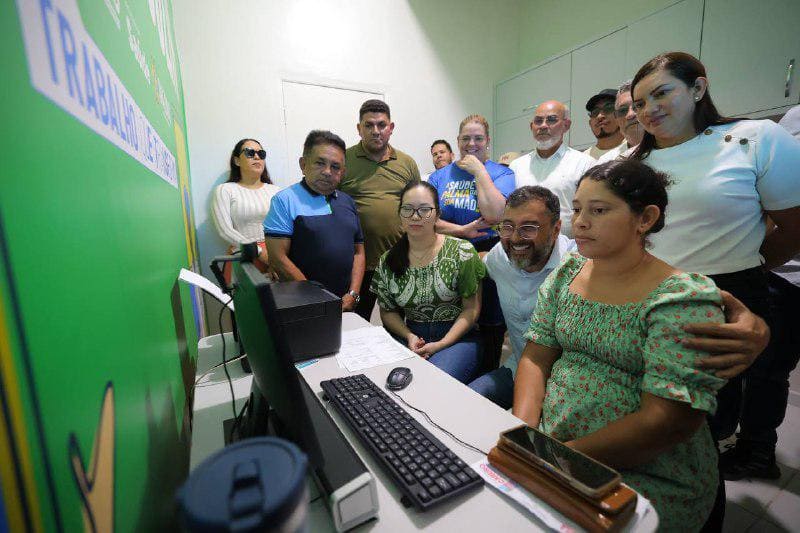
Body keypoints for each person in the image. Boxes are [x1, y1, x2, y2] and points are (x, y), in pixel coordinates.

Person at [514, 160, 726, 531]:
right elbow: (536, 356)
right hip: (551, 443)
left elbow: (667, 422)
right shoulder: (567, 274)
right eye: (578, 208)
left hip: (647, 471)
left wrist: (560, 458)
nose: (580, 221)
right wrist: (524, 432)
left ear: (644, 219)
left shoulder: (681, 298)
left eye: (598, 210)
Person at [629, 52, 800, 485]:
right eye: (640, 102)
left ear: (698, 89)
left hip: (729, 292)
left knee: (711, 419)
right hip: (651, 293)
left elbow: (793, 226)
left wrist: (751, 267)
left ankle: (711, 487)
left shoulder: (753, 139)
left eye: (662, 93)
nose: (650, 110)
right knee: (660, 413)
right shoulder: (636, 163)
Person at [469, 185, 770, 411]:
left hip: (577, 384)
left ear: (557, 228)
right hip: (522, 369)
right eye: (507, 227)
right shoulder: (499, 257)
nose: (516, 237)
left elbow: (662, 281)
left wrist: (753, 323)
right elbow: (476, 260)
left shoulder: (582, 263)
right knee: (470, 401)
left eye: (529, 228)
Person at [370, 182, 485, 383]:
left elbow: (471, 310)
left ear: (437, 215)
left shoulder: (462, 251)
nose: (415, 216)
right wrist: (409, 336)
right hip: (410, 337)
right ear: (400, 216)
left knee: (429, 382)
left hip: (457, 339)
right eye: (407, 209)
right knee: (383, 381)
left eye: (424, 209)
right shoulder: (388, 260)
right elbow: (387, 311)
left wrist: (442, 343)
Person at [428, 114, 516, 373]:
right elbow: (426, 218)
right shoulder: (440, 176)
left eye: (478, 138)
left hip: (489, 254)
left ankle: (485, 378)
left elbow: (495, 215)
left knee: (489, 323)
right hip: (447, 253)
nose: (472, 143)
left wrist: (479, 170)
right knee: (451, 320)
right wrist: (462, 230)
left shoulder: (502, 173)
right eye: (466, 138)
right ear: (458, 141)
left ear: (488, 141)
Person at [264, 130, 365, 310]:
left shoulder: (347, 201)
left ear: (342, 172)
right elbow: (278, 259)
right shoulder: (284, 201)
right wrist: (318, 300)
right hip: (302, 307)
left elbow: (359, 252)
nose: (327, 172)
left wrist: (353, 294)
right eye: (320, 163)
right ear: (303, 164)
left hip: (345, 304)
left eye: (335, 166)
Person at [339, 100, 421, 321]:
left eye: (381, 125)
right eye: (369, 125)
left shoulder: (407, 163)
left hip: (400, 259)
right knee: (354, 321)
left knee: (404, 321)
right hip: (357, 262)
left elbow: (418, 208)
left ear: (391, 127)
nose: (376, 131)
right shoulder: (343, 160)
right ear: (359, 128)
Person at [509, 101, 595, 237]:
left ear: (566, 125)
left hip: (569, 250)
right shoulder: (516, 166)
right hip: (524, 245)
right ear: (531, 127)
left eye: (551, 119)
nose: (543, 125)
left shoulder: (585, 164)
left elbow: (592, 212)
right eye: (538, 121)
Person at [211, 138, 280, 284]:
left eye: (261, 153)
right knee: (246, 305)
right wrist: (259, 253)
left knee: (280, 304)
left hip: (276, 259)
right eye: (250, 152)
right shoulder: (225, 190)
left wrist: (278, 260)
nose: (257, 157)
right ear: (237, 160)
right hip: (243, 258)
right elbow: (225, 231)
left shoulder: (276, 191)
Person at [597, 81, 645, 163]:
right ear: (616, 119)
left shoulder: (672, 149)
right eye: (623, 110)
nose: (630, 114)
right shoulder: (606, 161)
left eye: (638, 105)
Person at [583, 89, 625, 160]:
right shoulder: (583, 159)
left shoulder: (636, 149)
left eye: (608, 108)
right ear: (590, 123)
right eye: (595, 112)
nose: (600, 116)